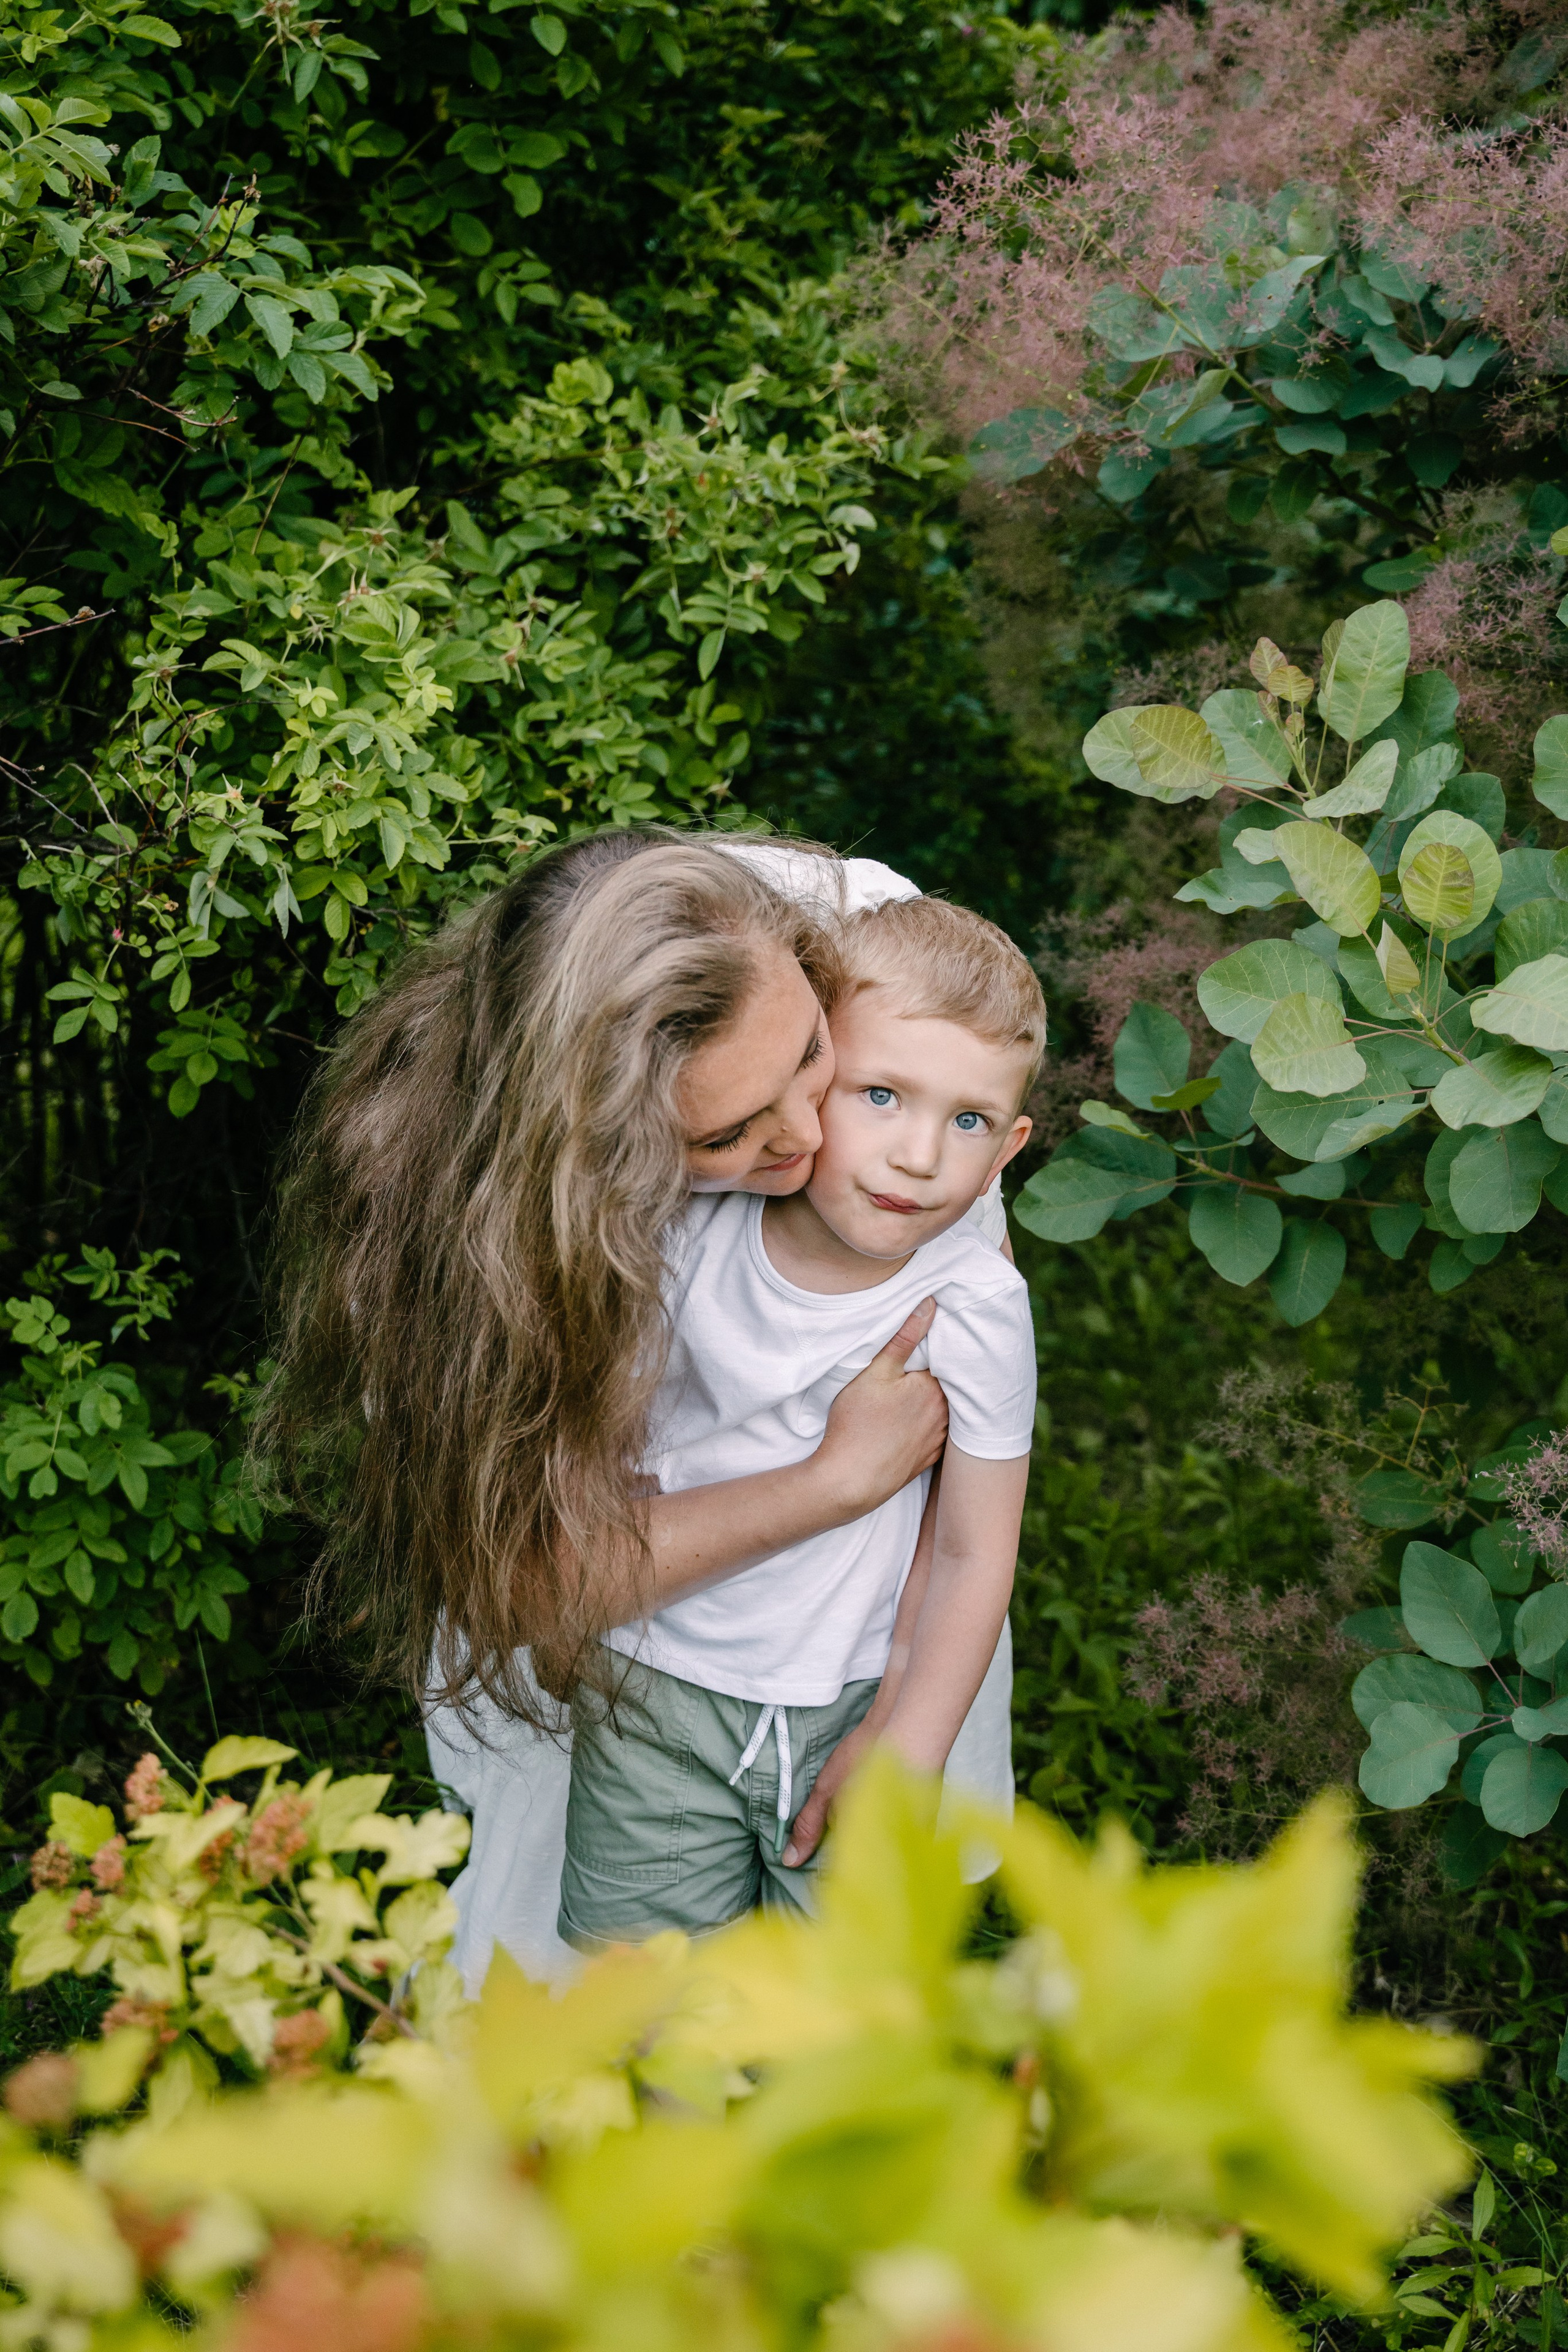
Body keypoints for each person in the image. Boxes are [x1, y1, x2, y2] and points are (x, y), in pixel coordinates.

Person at [256, 829, 998, 1984]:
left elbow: (953, 1349)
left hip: (863, 1628)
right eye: (723, 1137)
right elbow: (526, 1582)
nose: (807, 1143)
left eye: (814, 1057)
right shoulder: (462, 1216)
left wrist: (905, 1702)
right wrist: (829, 1480)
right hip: (627, 1651)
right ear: (592, 1158)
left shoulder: (864, 943)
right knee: (591, 1959)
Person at [558, 893, 1042, 1944]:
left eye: (966, 1122)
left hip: (844, 1702)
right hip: (652, 1685)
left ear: (1009, 1148)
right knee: (642, 2009)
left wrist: (909, 1745)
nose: (919, 1155)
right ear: (813, 1081)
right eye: (880, 1095)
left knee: (836, 2031)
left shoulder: (976, 1306)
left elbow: (974, 1552)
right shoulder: (688, 1232)